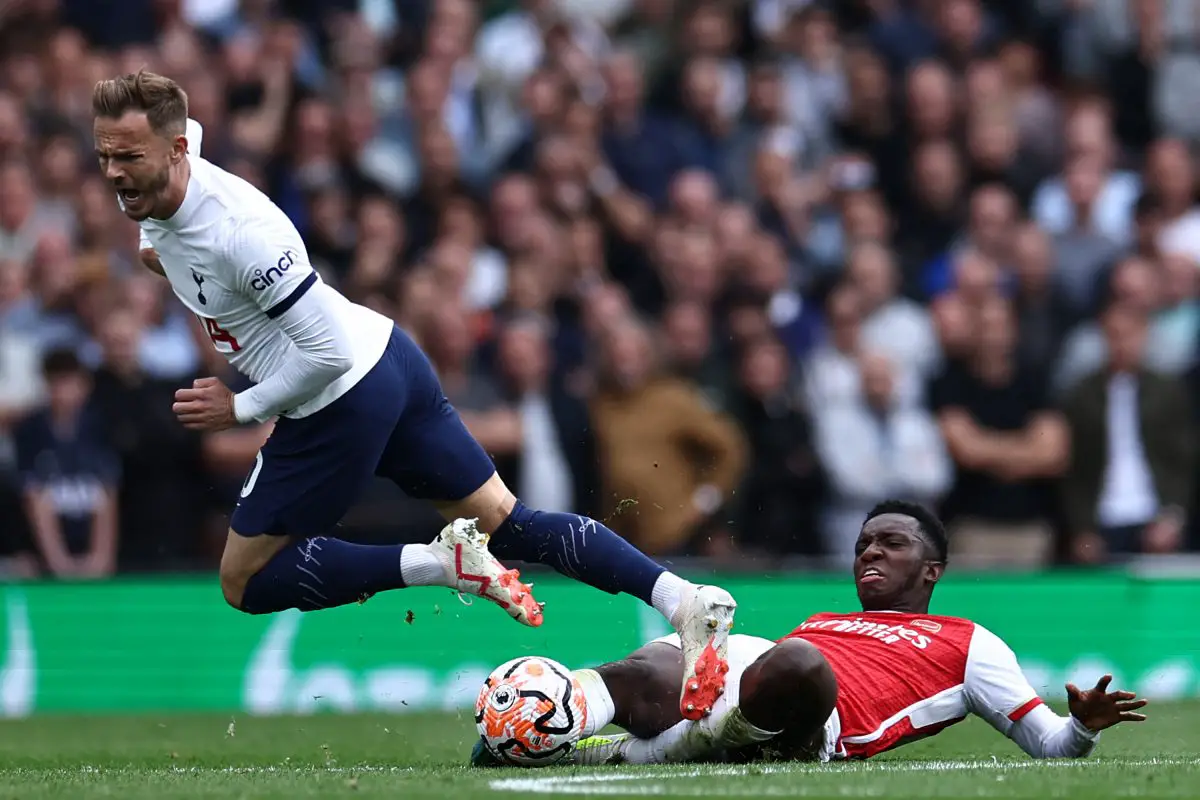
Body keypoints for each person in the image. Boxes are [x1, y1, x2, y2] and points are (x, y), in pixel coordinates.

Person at [92, 70, 735, 721]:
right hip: (390, 357)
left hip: (337, 392)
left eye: (129, 157)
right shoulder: (166, 178)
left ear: (174, 153)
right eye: (106, 156)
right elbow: (188, 135)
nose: (114, 173)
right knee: (508, 522)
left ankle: (438, 562)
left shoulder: (242, 235)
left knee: (244, 578)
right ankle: (684, 599)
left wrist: (239, 408)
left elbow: (326, 355)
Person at [472, 500, 1148, 766]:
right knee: (650, 668)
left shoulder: (968, 641)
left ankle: (630, 753)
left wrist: (1083, 726)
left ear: (931, 570)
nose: (870, 554)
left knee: (800, 665)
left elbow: (1049, 746)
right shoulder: (826, 617)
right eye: (863, 544)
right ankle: (526, 733)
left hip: (816, 724)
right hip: (756, 667)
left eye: (891, 544)